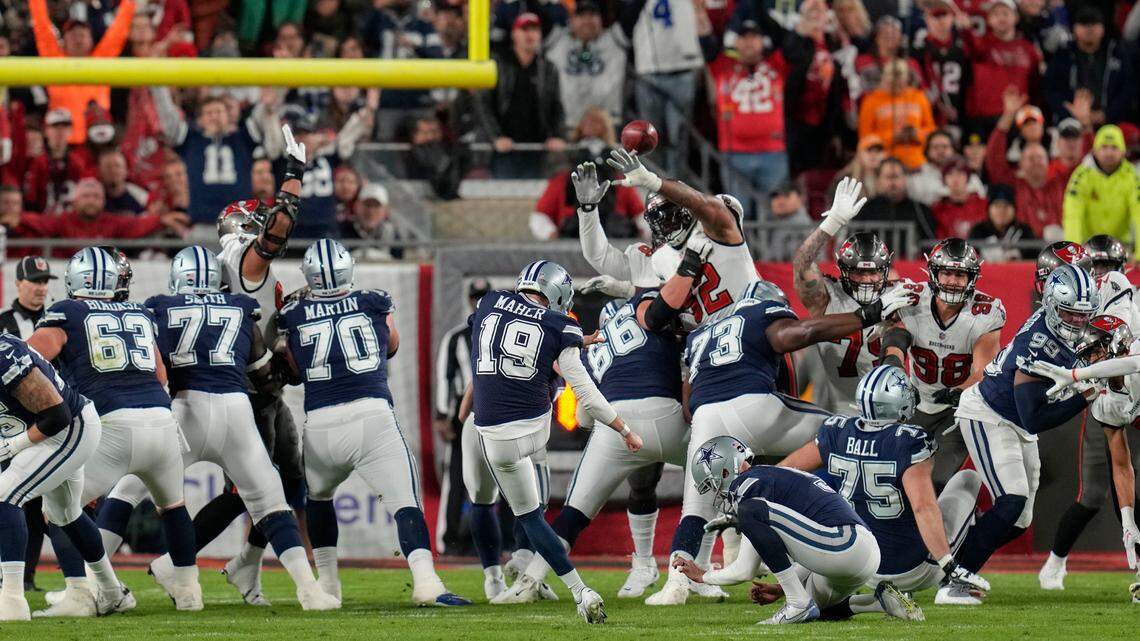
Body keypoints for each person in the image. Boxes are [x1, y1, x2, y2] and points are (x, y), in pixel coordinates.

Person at [646, 278, 920, 606]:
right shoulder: (762, 313)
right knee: (843, 433)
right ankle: (843, 516)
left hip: (705, 415)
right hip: (753, 404)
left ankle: (676, 584)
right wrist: (870, 313)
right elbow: (801, 334)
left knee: (695, 508)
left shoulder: (701, 333)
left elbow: (688, 404)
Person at [95, 248, 339, 611]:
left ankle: (93, 583)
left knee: (128, 489)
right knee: (271, 501)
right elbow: (263, 376)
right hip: (234, 411)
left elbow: (151, 365)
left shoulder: (160, 309)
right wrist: (284, 368)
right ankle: (310, 590)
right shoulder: (240, 308)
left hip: (184, 410)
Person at [278, 239, 470, 607]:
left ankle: (329, 584)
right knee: (405, 504)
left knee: (318, 500)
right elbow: (391, 345)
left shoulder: (294, 314)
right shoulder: (373, 301)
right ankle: (426, 582)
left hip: (321, 422)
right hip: (372, 416)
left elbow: (296, 371)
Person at [27, 248, 198, 615]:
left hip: (112, 424)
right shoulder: (139, 312)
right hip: (161, 420)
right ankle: (189, 592)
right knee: (173, 506)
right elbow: (161, 375)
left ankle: (83, 593)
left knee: (58, 507)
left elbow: (31, 361)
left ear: (76, 279)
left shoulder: (67, 312)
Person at [466, 260, 639, 621]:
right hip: (532, 429)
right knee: (557, 392)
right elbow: (587, 392)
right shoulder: (561, 323)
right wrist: (623, 428)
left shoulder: (488, 302)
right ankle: (569, 585)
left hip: (491, 437)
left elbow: (503, 344)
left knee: (528, 517)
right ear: (558, 292)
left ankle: (566, 585)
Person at [197, 126, 308, 606]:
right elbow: (278, 233)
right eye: (256, 221)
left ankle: (246, 567)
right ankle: (175, 559)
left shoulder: (230, 268)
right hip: (246, 388)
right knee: (253, 488)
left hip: (257, 387)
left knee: (285, 481)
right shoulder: (244, 259)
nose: (265, 224)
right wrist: (293, 176)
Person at [780, 365, 990, 608]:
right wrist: (949, 566)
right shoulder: (909, 440)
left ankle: (872, 601)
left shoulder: (836, 430)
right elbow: (922, 507)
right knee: (968, 479)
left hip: (861, 564)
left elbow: (786, 472)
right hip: (913, 567)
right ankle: (954, 584)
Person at [951, 263, 1102, 582]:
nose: (1077, 320)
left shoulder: (1057, 328)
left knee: (1019, 518)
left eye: (1082, 313)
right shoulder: (1038, 343)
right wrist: (1084, 396)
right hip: (989, 414)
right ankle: (957, 576)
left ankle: (954, 555)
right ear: (1050, 305)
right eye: (1069, 312)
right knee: (1011, 500)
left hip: (1014, 421)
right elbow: (1033, 418)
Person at [672, 436, 885, 625]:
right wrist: (781, 588)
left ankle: (797, 603)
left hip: (843, 546)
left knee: (750, 511)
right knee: (820, 610)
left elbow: (744, 570)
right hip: (859, 551)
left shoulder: (747, 488)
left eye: (713, 484)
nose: (716, 493)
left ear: (725, 471)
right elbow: (807, 546)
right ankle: (879, 602)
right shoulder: (770, 476)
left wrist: (703, 576)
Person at [0, 333, 131, 621]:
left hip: (67, 429)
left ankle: (11, 601)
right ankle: (108, 591)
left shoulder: (4, 354)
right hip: (41, 432)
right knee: (64, 513)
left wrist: (14, 445)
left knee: (4, 494)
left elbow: (57, 415)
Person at [1023, 316, 1140, 600]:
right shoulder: (1104, 400)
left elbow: (1133, 364)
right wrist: (1127, 522)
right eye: (1088, 356)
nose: (1092, 361)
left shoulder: (1135, 359)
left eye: (1097, 351)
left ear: (1119, 343)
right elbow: (1121, 464)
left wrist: (1076, 376)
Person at [884, 239, 1005, 489]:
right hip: (916, 401)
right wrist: (894, 367)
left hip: (959, 407)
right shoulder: (912, 299)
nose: (952, 280)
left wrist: (958, 392)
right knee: (894, 474)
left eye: (960, 274)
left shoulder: (985, 312)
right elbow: (897, 337)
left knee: (938, 479)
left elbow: (984, 369)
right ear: (933, 273)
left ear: (972, 277)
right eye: (946, 272)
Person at [793, 182, 902, 413]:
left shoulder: (898, 295)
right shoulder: (826, 296)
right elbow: (802, 264)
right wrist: (832, 223)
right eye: (858, 271)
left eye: (873, 271)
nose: (866, 279)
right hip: (835, 405)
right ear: (843, 270)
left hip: (886, 404)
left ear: (884, 271)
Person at [0, 256, 56, 592]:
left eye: (45, 281)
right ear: (18, 283)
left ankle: (28, 578)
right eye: (34, 280)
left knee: (43, 507)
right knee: (17, 501)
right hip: (10, 420)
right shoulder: (3, 322)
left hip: (51, 417)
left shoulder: (57, 319)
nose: (40, 287)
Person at [151, 87, 281, 227]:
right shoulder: (191, 140)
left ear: (228, 116)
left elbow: (261, 116)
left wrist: (267, 105)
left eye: (219, 112)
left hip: (239, 224)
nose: (214, 116)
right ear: (200, 120)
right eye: (209, 113)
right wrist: (159, 88)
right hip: (202, 221)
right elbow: (168, 118)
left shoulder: (242, 139)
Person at [708, 18, 790, 214]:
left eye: (754, 37)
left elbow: (794, 42)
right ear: (736, 43)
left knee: (773, 214)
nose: (749, 42)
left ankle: (771, 247)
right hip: (734, 153)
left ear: (763, 42)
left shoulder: (777, 64)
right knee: (737, 214)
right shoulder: (722, 66)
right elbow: (705, 40)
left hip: (773, 153)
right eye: (744, 38)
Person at [434, 279, 492, 556]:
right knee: (456, 475)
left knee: (502, 474)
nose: (479, 301)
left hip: (494, 405)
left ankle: (502, 540)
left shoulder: (498, 331)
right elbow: (444, 377)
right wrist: (442, 415)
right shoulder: (456, 337)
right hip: (463, 409)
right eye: (476, 296)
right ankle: (451, 539)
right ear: (469, 300)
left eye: (484, 296)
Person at [28, 0, 136, 144]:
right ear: (64, 41)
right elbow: (41, 25)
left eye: (83, 35)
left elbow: (119, 30)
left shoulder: (101, 61)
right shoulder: (54, 59)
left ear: (91, 40)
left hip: (98, 142)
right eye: (73, 35)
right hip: (63, 144)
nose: (78, 39)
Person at [476, 13, 566, 179]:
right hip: (503, 150)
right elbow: (484, 104)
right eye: (524, 29)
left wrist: (557, 135)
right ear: (514, 34)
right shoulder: (498, 64)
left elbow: (556, 106)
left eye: (534, 29)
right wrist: (496, 137)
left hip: (537, 149)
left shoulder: (548, 68)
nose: (529, 34)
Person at [17, 178, 189, 257]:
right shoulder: (63, 220)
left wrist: (161, 220)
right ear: (75, 201)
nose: (91, 201)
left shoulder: (111, 221)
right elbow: (39, 222)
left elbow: (136, 225)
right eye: (86, 196)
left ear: (104, 201)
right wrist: (17, 218)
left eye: (96, 196)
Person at [1043, 5, 1135, 128]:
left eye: (1094, 23)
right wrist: (1071, 112)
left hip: (1111, 124)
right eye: (1084, 23)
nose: (1089, 28)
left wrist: (1105, 114)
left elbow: (1128, 88)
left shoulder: (1116, 53)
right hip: (1069, 124)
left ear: (1103, 28)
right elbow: (1051, 89)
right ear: (1074, 28)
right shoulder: (1063, 54)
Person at [544, 0, 628, 132]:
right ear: (571, 20)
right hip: (566, 125)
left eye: (593, 15)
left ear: (601, 20)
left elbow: (634, 10)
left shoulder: (614, 39)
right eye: (581, 16)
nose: (587, 20)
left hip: (608, 128)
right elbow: (537, 11)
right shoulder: (558, 40)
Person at [959, 0, 1041, 131]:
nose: (1001, 18)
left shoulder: (1029, 50)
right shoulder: (982, 45)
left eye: (1005, 13)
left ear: (1016, 17)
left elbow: (1036, 85)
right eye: (995, 14)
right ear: (989, 19)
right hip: (985, 117)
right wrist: (966, 29)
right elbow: (971, 46)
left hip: (1020, 116)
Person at [1063, 125, 1140, 253]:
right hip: (1088, 247)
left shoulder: (1132, 177)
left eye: (1114, 147)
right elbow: (1072, 215)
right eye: (1104, 147)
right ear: (1094, 150)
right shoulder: (1081, 176)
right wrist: (1073, 253)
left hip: (1122, 247)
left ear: (1123, 151)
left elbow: (1138, 214)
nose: (1109, 153)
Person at [858, 59, 936, 171]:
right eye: (892, 77)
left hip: (917, 161)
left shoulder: (918, 97)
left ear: (906, 78)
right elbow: (865, 138)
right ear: (884, 77)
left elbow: (931, 131)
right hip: (883, 164)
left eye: (899, 77)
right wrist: (894, 136)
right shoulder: (871, 101)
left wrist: (916, 134)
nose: (895, 81)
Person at [23, 109, 95, 214]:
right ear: (46, 131)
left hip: (70, 219)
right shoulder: (37, 162)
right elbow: (31, 199)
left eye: (65, 127)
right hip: (43, 218)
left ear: (70, 130)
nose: (60, 131)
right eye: (55, 127)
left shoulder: (78, 162)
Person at [858, 158, 937, 241]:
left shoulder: (920, 210)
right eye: (888, 177)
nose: (892, 183)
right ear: (878, 180)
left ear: (905, 178)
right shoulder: (866, 209)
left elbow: (930, 244)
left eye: (896, 176)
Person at [968, 184, 1036, 262]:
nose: (1001, 211)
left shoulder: (1025, 232)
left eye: (1006, 206)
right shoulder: (978, 232)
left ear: (1014, 209)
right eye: (997, 206)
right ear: (989, 209)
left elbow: (1033, 262)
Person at [340, 183, 403, 261]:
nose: (371, 211)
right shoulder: (341, 230)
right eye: (367, 205)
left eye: (377, 206)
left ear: (386, 210)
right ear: (356, 206)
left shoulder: (393, 235)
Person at [931, 159, 988, 239]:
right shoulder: (938, 209)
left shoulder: (983, 204)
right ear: (944, 179)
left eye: (960, 173)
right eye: (950, 174)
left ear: (967, 177)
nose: (955, 179)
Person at [759, 181, 813, 261]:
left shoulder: (801, 224)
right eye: (775, 196)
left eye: (786, 195)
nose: (779, 200)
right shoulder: (781, 224)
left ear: (801, 198)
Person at [97, 149, 150, 216]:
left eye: (117, 166)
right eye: (108, 167)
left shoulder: (141, 197)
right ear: (99, 171)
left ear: (126, 171)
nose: (113, 171)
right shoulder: (90, 196)